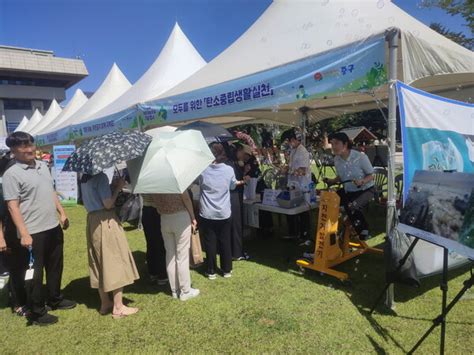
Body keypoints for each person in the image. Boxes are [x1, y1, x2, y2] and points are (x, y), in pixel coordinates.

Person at [3, 132, 76, 326]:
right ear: (13, 150)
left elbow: (50, 190)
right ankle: (36, 311)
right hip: (32, 232)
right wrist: (24, 233)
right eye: (23, 147)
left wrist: (61, 212)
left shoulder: (43, 166)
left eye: (31, 145)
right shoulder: (11, 174)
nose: (29, 149)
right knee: (34, 273)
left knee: (55, 266)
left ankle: (55, 298)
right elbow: (12, 206)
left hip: (52, 227)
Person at [81, 172, 139, 318]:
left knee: (99, 261)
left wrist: (111, 187)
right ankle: (118, 307)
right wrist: (118, 188)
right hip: (105, 220)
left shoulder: (84, 178)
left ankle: (105, 302)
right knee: (115, 259)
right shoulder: (101, 177)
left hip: (92, 220)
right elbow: (108, 204)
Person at [199, 143, 248, 279]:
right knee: (225, 240)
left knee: (210, 241)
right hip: (224, 211)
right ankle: (226, 269)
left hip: (207, 212)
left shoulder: (202, 171)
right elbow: (232, 186)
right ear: (222, 154)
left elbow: (199, 183)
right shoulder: (228, 170)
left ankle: (211, 270)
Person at [324, 132, 375, 240]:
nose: (333, 147)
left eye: (336, 143)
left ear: (345, 144)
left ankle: (364, 230)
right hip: (349, 191)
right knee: (330, 201)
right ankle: (334, 231)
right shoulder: (337, 159)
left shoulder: (360, 157)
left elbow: (372, 175)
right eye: (332, 144)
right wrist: (332, 181)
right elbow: (341, 176)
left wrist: (362, 181)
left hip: (366, 189)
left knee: (352, 206)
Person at [152, 192, 199, 301]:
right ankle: (185, 291)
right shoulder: (177, 179)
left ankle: (174, 290)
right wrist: (193, 217)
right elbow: (186, 199)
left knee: (170, 255)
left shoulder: (154, 184)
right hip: (180, 217)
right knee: (182, 256)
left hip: (164, 218)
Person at [0, 153, 30, 317]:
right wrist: (1, 238)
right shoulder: (3, 187)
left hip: (24, 230)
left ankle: (26, 298)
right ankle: (18, 302)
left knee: (26, 266)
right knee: (16, 269)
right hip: (10, 234)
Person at [282, 129, 311, 242]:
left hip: (302, 186)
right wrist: (286, 168)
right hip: (293, 185)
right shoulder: (293, 150)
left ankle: (305, 236)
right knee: (291, 208)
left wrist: (288, 171)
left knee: (303, 211)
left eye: (288, 142)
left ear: (293, 139)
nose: (288, 144)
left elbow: (302, 171)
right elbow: (292, 167)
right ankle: (293, 233)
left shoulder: (302, 151)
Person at [141, 194, 168, 285]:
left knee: (151, 242)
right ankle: (162, 275)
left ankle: (152, 272)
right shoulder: (157, 181)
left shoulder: (141, 181)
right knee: (160, 243)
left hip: (146, 210)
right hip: (157, 210)